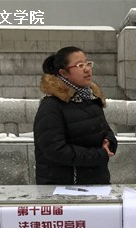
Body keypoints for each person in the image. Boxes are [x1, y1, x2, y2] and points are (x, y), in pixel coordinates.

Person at [33, 46, 117, 185]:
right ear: (63, 73)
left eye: (88, 64)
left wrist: (109, 141)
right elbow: (55, 150)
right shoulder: (51, 106)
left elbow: (104, 130)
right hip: (65, 186)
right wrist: (99, 155)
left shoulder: (91, 99)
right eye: (80, 65)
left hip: (96, 181)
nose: (87, 69)